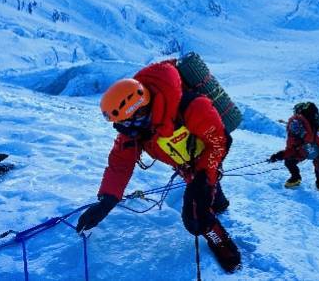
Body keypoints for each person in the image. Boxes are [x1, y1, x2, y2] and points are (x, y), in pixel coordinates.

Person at [75, 60, 241, 273]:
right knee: (203, 192)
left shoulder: (191, 107)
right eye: (121, 124)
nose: (125, 130)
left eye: (127, 122)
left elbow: (220, 141)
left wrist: (204, 177)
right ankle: (218, 202)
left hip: (206, 158)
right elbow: (120, 163)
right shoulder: (138, 129)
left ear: (140, 110)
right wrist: (107, 200)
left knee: (195, 217)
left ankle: (224, 247)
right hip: (185, 164)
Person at [268, 102, 319, 190]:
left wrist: (279, 155)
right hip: (308, 150)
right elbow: (291, 149)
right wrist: (279, 156)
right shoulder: (317, 133)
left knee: (317, 167)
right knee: (290, 161)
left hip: (309, 150)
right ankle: (304, 180)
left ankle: (308, 180)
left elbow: (292, 149)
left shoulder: (314, 132)